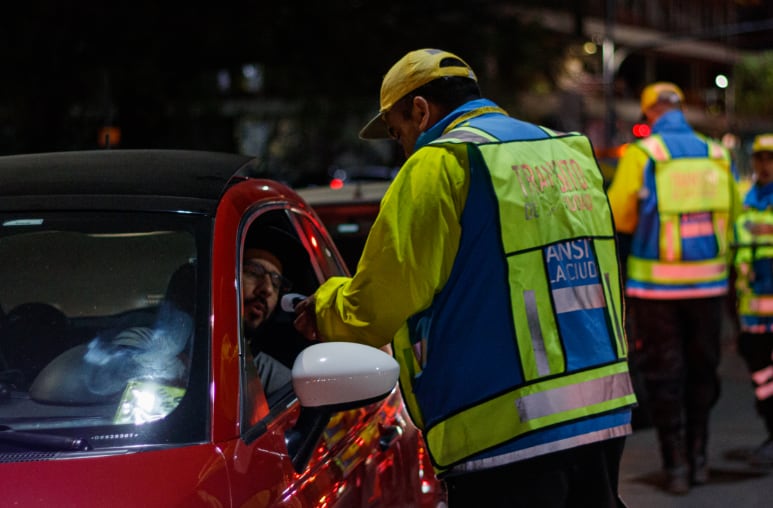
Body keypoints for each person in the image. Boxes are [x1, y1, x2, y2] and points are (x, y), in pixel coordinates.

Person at [294, 48, 637, 507]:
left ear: (421, 110)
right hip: (600, 413)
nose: (404, 148)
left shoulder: (440, 163)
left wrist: (322, 308)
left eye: (398, 133)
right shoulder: (565, 149)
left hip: (507, 433)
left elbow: (376, 305)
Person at [606, 82, 742, 494]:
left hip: (656, 289)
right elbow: (733, 212)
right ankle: (700, 458)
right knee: (703, 369)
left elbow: (619, 215)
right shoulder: (718, 154)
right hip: (709, 285)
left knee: (665, 373)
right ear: (680, 108)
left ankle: (676, 465)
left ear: (649, 113)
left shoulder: (644, 153)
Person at [731, 133, 773, 467]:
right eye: (760, 158)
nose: (764, 165)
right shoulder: (747, 200)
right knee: (761, 374)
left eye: (771, 158)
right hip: (753, 306)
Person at [241, 228, 295, 396]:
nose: (268, 289)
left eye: (276, 283)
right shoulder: (167, 356)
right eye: (253, 272)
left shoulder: (280, 384)